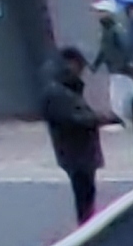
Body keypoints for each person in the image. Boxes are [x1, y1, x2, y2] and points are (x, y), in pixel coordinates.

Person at [41, 46, 109, 222]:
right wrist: (99, 118)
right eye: (80, 67)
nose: (81, 73)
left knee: (87, 192)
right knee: (84, 193)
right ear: (71, 64)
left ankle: (87, 223)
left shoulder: (65, 89)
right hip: (75, 151)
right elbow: (75, 118)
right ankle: (86, 228)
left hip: (78, 151)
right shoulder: (58, 92)